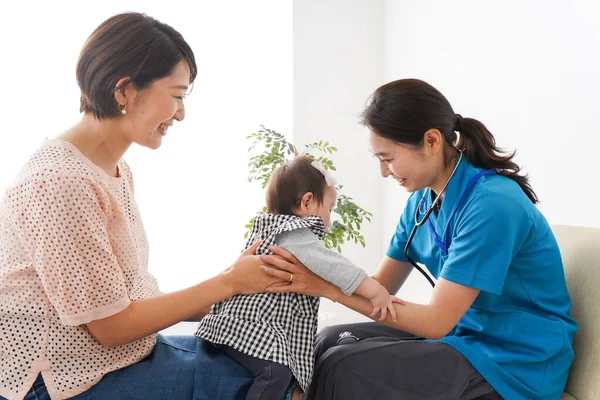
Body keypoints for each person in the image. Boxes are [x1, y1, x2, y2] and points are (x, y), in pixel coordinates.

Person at [0, 12, 286, 400]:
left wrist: (231, 290)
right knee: (262, 383)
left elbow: (123, 298)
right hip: (58, 378)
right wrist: (228, 283)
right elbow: (110, 326)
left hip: (112, 356)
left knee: (268, 362)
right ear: (125, 91)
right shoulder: (59, 182)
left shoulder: (113, 170)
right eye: (177, 95)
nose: (181, 114)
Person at [259, 79, 578, 400]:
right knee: (328, 340)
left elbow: (437, 321)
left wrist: (326, 288)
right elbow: (382, 286)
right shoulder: (421, 202)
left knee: (345, 366)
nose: (384, 172)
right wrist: (312, 269)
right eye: (378, 160)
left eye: (388, 158)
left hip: (516, 360)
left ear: (431, 141)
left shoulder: (493, 205)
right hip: (465, 336)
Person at [196, 155, 402, 399]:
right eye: (330, 208)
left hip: (232, 326)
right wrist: (376, 291)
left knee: (285, 371)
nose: (330, 217)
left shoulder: (269, 228)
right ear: (307, 203)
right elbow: (335, 266)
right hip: (248, 331)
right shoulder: (295, 233)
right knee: (276, 373)